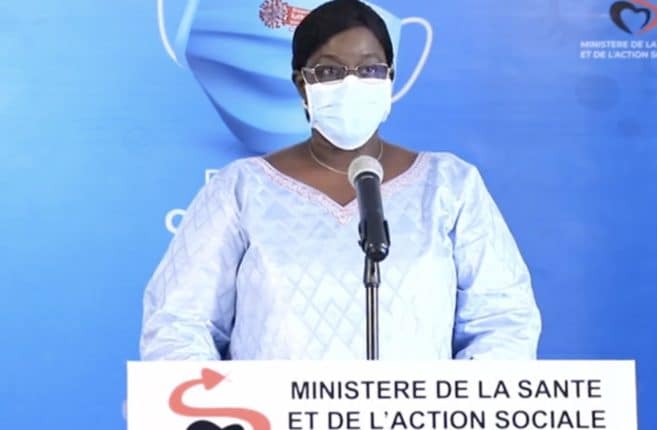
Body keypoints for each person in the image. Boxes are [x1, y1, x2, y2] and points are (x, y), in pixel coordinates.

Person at [140, 0, 541, 360]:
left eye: (369, 69)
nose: (351, 83)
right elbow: (178, 324)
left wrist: (457, 406)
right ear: (302, 84)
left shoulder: (450, 186)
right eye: (329, 71)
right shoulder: (240, 190)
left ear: (390, 78)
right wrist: (213, 407)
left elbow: (503, 321)